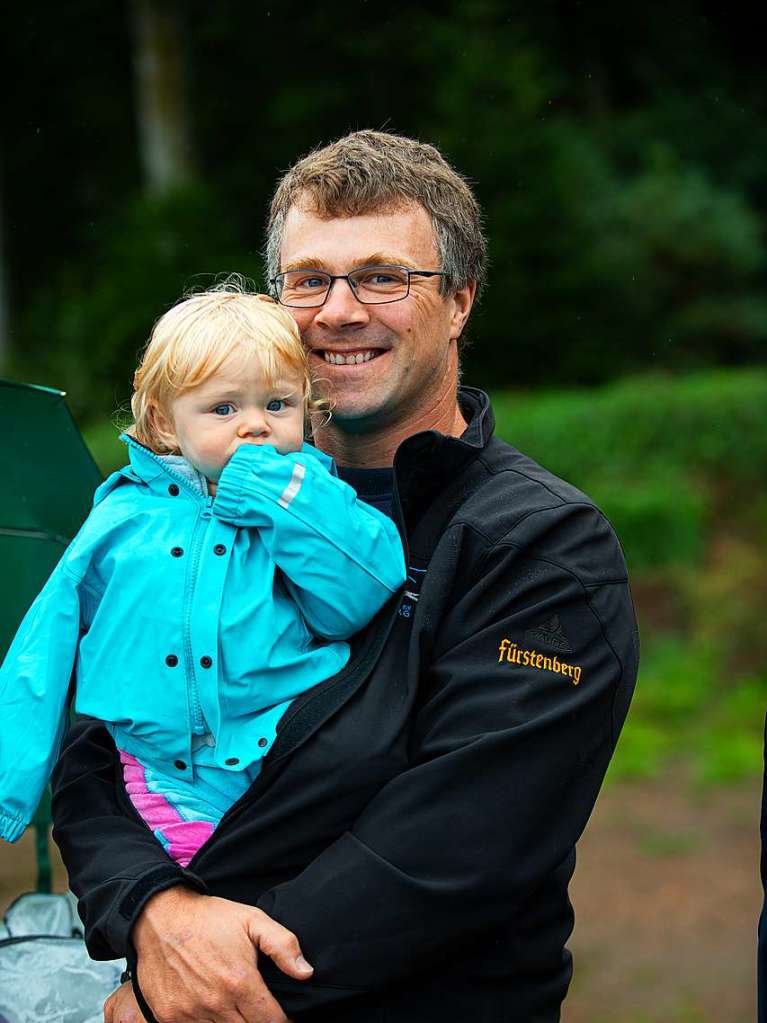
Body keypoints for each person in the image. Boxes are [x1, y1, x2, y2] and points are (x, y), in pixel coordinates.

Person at [50, 130, 639, 1023]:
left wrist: (201, 986)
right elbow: (96, 744)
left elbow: (458, 843)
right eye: (307, 280)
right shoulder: (170, 510)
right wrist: (152, 909)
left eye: (382, 277)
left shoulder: (540, 544)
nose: (339, 310)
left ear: (460, 301)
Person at [0, 288, 405, 865]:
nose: (255, 427)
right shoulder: (121, 520)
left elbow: (364, 594)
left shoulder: (310, 496)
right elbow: (45, 643)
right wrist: (11, 786)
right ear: (166, 421)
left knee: (296, 902)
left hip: (292, 759)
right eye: (223, 409)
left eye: (278, 405)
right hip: (165, 772)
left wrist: (275, 495)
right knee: (200, 907)